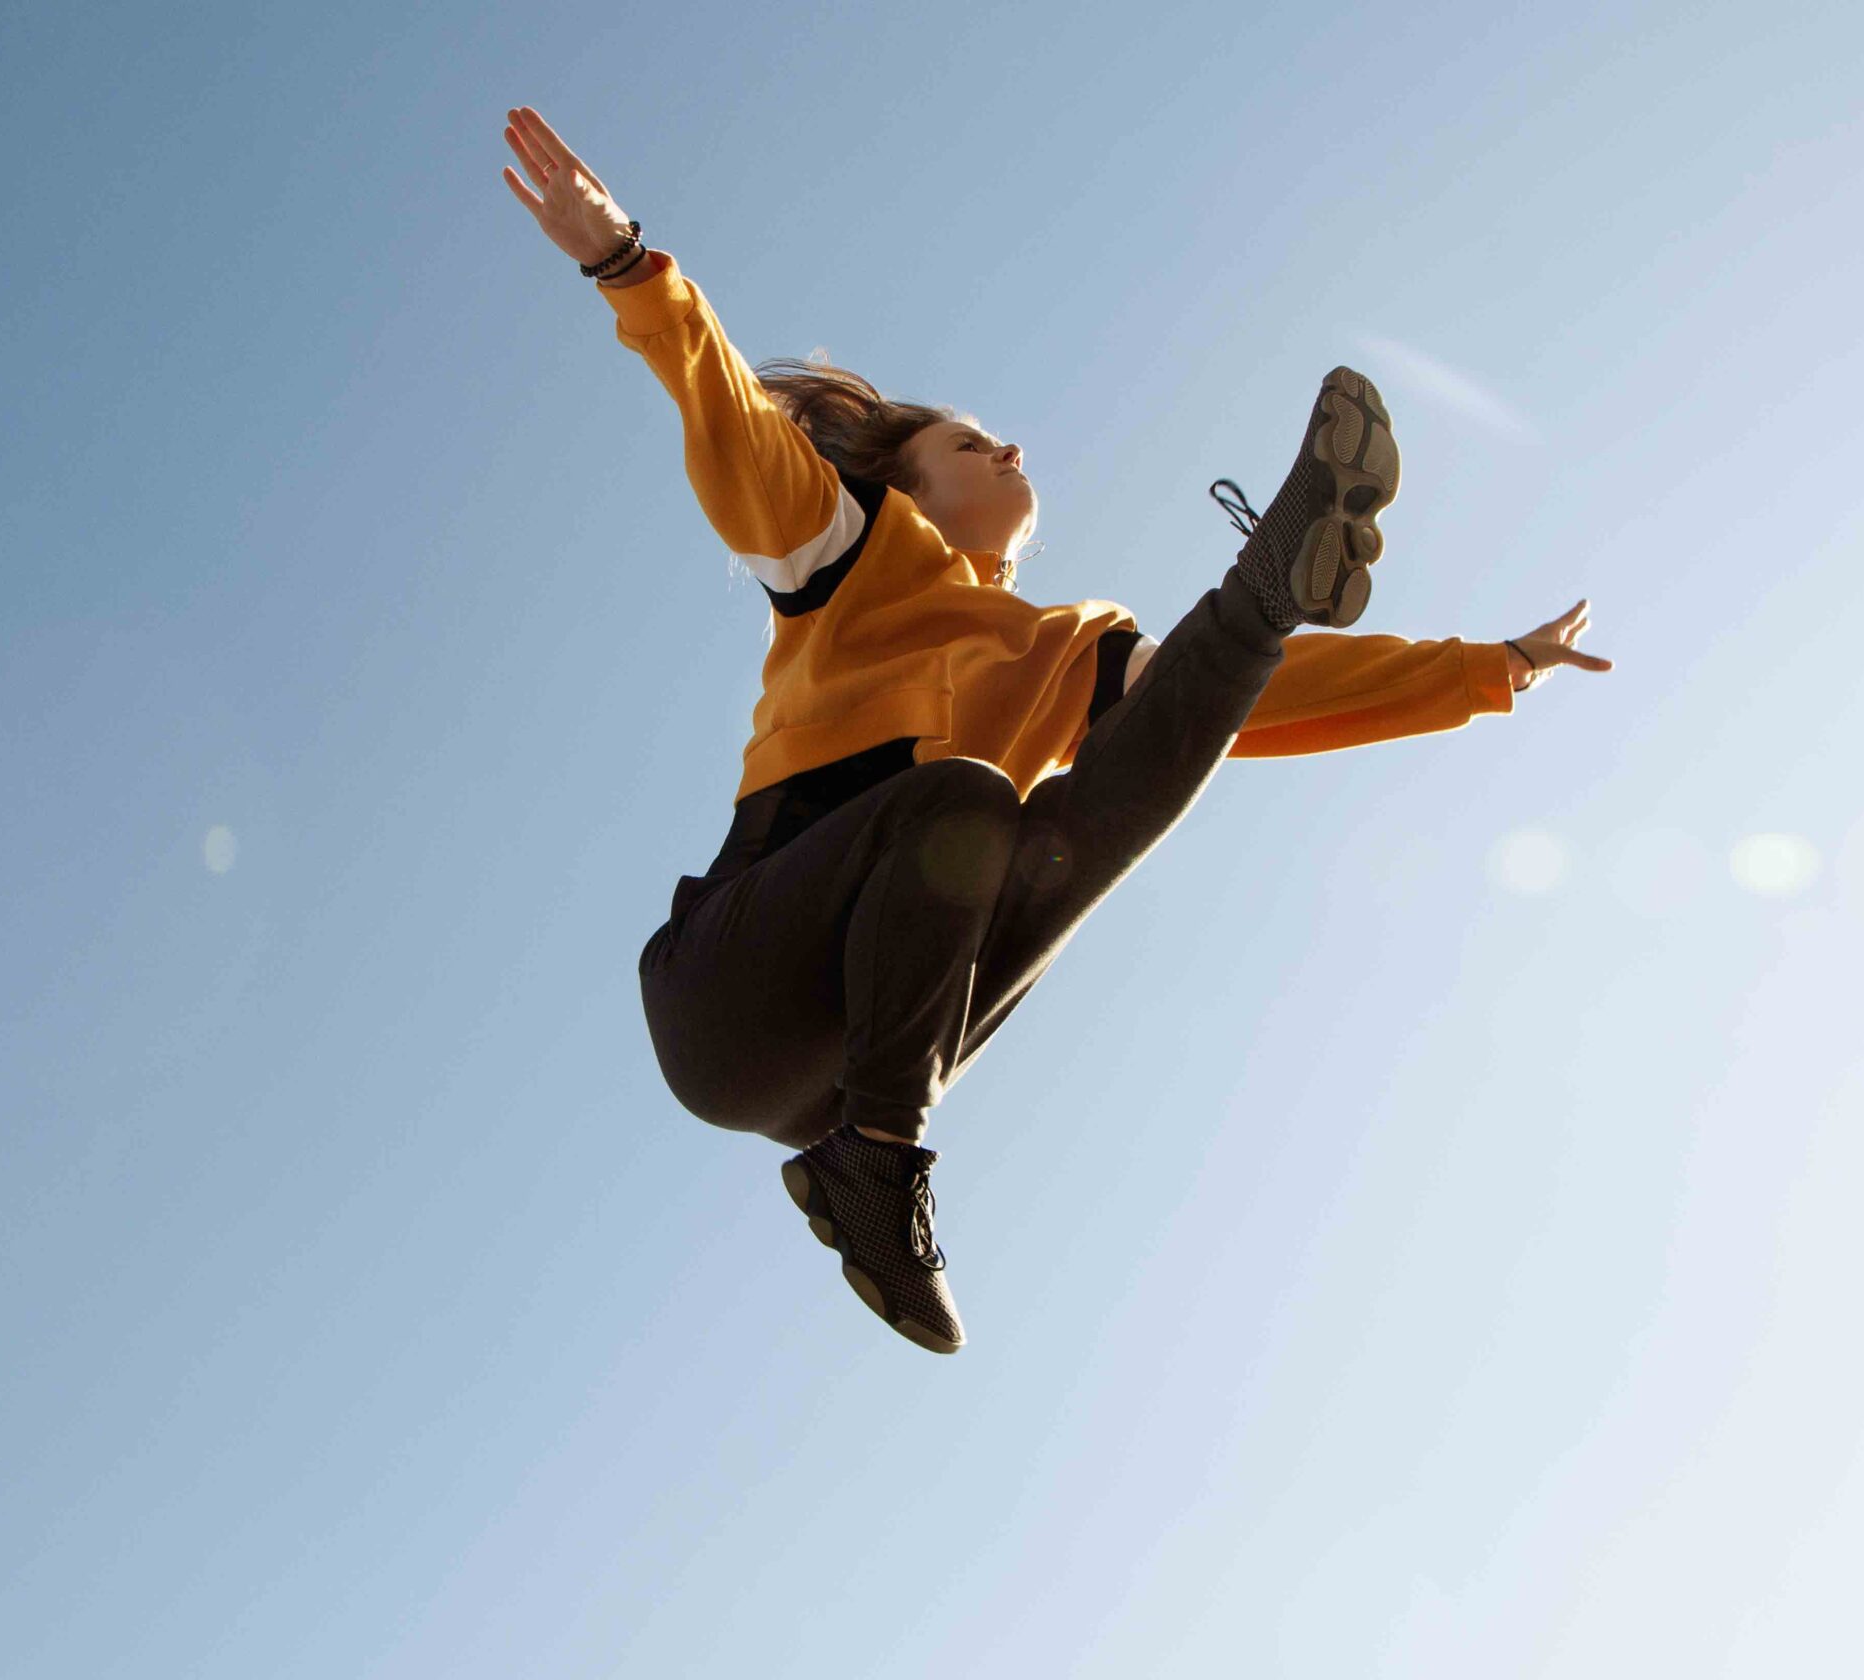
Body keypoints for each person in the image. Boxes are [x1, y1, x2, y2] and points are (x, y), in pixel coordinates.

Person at [499, 105, 1613, 1354]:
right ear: (903, 482)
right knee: (970, 806)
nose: (1009, 442)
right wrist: (626, 266)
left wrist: (1489, 668)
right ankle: (881, 1166)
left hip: (858, 1057)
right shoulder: (848, 550)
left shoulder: (1060, 650)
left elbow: (1256, 707)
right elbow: (736, 428)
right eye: (970, 441)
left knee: (1103, 802)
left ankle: (1258, 595)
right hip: (728, 996)